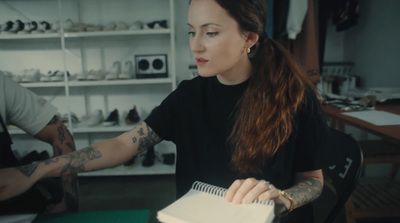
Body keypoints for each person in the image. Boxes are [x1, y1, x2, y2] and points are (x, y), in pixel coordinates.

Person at [0, 0, 329, 222]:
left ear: (249, 37)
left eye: (210, 32)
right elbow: (122, 145)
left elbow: (313, 182)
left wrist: (282, 197)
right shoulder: (188, 96)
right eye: (191, 31)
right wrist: (36, 170)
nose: (195, 45)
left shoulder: (294, 97)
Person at [0, 72, 78, 214]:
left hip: (10, 200)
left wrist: (69, 200)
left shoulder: (2, 85)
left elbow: (59, 134)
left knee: (50, 193)